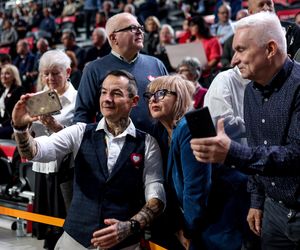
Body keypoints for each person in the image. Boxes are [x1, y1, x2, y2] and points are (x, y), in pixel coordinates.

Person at [12, 69, 166, 250]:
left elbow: (156, 195)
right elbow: (37, 151)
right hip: (74, 241)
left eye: (116, 93)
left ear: (134, 101)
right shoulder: (79, 132)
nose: (107, 99)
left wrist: (130, 226)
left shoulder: (147, 143)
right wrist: (21, 129)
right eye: (103, 92)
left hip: (124, 245)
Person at [190, 12, 300, 249]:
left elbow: (295, 155)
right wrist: (257, 201)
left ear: (270, 49)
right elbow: (257, 145)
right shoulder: (252, 90)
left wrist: (232, 153)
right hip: (274, 212)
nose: (233, 60)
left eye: (241, 50)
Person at [144, 75, 211, 249]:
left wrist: (188, 231)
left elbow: (196, 188)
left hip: (214, 219)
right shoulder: (159, 131)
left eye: (160, 93)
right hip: (189, 218)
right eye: (150, 95)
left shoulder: (191, 126)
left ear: (179, 96)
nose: (152, 99)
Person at [74, 13, 168, 135]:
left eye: (140, 28)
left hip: (158, 144)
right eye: (133, 28)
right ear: (114, 38)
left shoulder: (156, 64)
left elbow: (171, 104)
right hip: (113, 147)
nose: (139, 32)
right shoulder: (94, 69)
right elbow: (83, 115)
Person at [30, 50, 77, 250]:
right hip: (42, 167)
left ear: (67, 72)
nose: (50, 78)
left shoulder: (77, 99)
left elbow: (78, 134)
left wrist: (54, 125)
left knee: (64, 226)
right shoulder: (39, 98)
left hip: (65, 169)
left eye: (55, 73)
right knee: (48, 227)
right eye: (46, 74)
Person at [188, 15, 222, 88]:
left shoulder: (213, 41)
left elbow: (215, 60)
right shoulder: (191, 43)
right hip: (195, 76)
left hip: (209, 76)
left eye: (193, 25)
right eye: (190, 26)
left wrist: (201, 69)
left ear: (200, 26)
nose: (190, 28)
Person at [0, 64, 25, 139]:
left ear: (14, 76)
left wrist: (1, 124)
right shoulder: (2, 90)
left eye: (7, 73)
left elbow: (17, 114)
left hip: (12, 124)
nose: (3, 76)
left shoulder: (19, 90)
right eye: (2, 73)